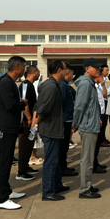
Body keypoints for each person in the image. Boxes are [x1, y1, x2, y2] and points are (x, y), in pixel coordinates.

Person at [0, 56, 28, 210]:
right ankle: (2, 199)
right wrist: (23, 103)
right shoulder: (6, 82)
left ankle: (7, 191)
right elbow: (11, 106)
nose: (24, 70)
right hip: (4, 129)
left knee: (7, 162)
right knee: (3, 163)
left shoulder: (11, 82)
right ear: (17, 67)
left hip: (10, 128)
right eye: (23, 67)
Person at [31, 60, 67, 201]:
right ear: (59, 70)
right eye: (64, 69)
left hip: (53, 128)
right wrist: (37, 120)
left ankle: (56, 185)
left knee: (55, 160)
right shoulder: (51, 86)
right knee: (51, 161)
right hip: (50, 128)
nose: (66, 72)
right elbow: (44, 108)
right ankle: (48, 191)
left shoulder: (51, 84)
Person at [72, 58, 103, 199]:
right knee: (87, 159)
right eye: (95, 67)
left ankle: (88, 184)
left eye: (99, 68)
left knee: (89, 158)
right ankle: (84, 189)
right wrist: (75, 124)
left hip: (91, 124)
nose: (98, 70)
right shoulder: (85, 84)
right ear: (87, 69)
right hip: (88, 126)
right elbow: (79, 107)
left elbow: (91, 106)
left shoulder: (89, 83)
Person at [16, 66, 41, 181]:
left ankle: (25, 167)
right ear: (34, 72)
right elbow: (24, 102)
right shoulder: (25, 85)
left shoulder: (30, 85)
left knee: (29, 145)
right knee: (24, 146)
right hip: (26, 121)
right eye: (38, 72)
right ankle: (21, 171)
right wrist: (29, 118)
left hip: (30, 121)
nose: (39, 74)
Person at [59, 65, 77, 177]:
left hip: (67, 118)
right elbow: (60, 103)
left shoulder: (66, 85)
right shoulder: (63, 86)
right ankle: (62, 168)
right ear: (68, 74)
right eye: (72, 74)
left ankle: (64, 166)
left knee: (65, 146)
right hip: (64, 120)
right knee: (62, 146)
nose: (72, 77)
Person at [98, 64, 110, 147]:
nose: (107, 72)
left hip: (105, 102)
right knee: (102, 122)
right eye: (106, 70)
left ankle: (103, 138)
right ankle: (101, 140)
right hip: (101, 103)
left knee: (105, 122)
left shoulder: (104, 80)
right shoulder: (99, 81)